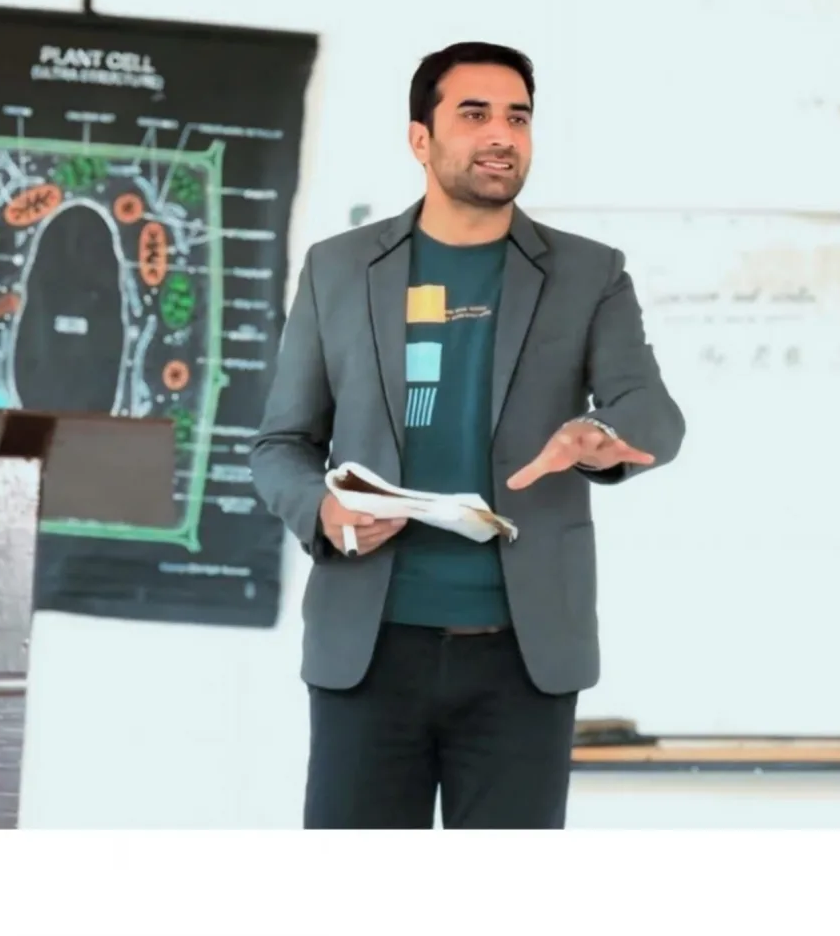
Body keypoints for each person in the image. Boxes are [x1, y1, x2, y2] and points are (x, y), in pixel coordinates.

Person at [250, 41, 685, 829]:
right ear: (420, 139)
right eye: (475, 114)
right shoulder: (338, 269)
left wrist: (601, 433)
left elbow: (652, 411)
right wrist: (322, 509)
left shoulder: (589, 273)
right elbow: (280, 446)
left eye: (518, 118)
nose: (501, 135)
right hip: (368, 648)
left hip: (522, 656)